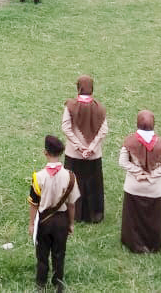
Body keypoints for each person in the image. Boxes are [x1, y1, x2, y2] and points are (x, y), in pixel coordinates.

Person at [29, 134, 79, 291]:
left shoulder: (38, 177)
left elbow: (34, 204)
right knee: (59, 252)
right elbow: (71, 204)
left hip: (44, 220)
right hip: (61, 220)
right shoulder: (70, 177)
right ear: (61, 153)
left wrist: (32, 223)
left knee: (42, 253)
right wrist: (70, 223)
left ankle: (41, 282)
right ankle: (58, 282)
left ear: (45, 152)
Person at [119, 109, 161, 253]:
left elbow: (123, 162)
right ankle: (152, 244)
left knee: (133, 217)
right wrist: (151, 175)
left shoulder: (129, 142)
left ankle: (133, 243)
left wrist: (138, 172)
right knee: (152, 219)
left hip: (133, 187)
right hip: (154, 190)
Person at [60, 75, 108, 224]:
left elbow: (66, 128)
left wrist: (78, 146)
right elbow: (104, 130)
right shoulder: (100, 108)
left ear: (78, 88)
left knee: (73, 184)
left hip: (74, 154)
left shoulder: (70, 106)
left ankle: (74, 214)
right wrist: (91, 147)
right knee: (93, 185)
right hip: (93, 155)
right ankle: (94, 214)